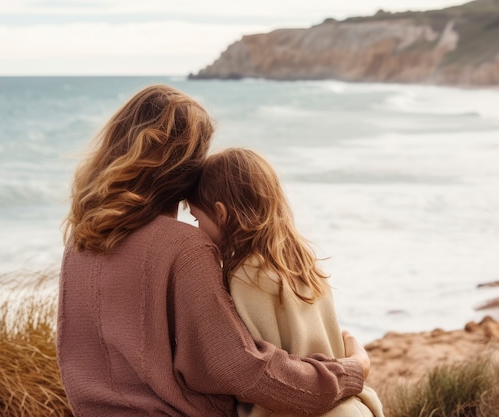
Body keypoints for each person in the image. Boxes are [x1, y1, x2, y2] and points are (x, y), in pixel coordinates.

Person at [57, 84, 370, 417]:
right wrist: (352, 371)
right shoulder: (184, 247)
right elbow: (246, 371)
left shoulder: (79, 244)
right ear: (186, 169)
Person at [187, 147, 385, 417]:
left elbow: (252, 373)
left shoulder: (245, 277)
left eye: (197, 219)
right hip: (349, 406)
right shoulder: (303, 261)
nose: (197, 230)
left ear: (221, 213)